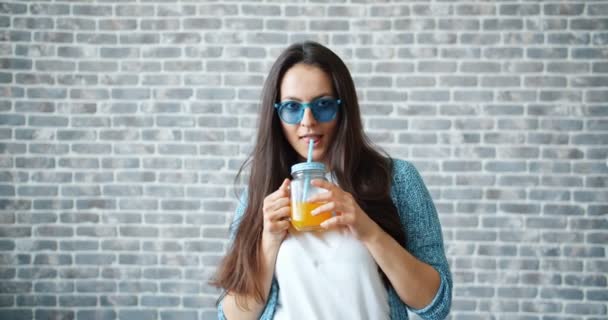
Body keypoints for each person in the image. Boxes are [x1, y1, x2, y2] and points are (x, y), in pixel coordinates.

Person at [212, 41, 452, 320]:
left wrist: (368, 231)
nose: (308, 121)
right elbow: (231, 317)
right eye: (292, 107)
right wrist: (268, 241)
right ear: (276, 114)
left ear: (343, 108)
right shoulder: (260, 194)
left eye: (323, 105)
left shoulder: (398, 180)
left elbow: (436, 304)